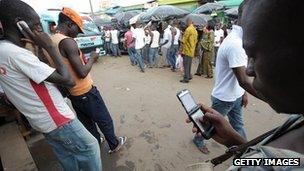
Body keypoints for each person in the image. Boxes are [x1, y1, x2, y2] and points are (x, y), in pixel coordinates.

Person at [188, 0, 304, 170]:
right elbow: (243, 79)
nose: (249, 69)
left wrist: (252, 156)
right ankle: (199, 140)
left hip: (234, 95)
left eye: (253, 56)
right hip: (225, 96)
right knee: (208, 127)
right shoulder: (235, 45)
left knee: (232, 125)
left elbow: (276, 162)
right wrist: (235, 142)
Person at [0, 1, 101, 170]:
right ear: (20, 23)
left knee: (68, 156)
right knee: (90, 148)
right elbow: (68, 79)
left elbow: (42, 72)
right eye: (37, 25)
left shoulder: (4, 50)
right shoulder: (16, 54)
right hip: (57, 119)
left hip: (41, 121)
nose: (40, 31)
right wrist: (47, 45)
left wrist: (37, 47)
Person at [50, 7, 127, 154]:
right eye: (77, 29)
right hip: (85, 90)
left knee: (87, 121)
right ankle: (114, 143)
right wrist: (92, 58)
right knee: (104, 119)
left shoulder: (51, 40)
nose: (77, 34)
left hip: (72, 92)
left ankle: (96, 141)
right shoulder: (68, 42)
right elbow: (82, 72)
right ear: (69, 24)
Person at [180, 18, 198, 83]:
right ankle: (189, 75)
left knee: (186, 64)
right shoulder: (195, 30)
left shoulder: (188, 29)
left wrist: (181, 50)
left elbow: (183, 41)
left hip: (187, 50)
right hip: (192, 50)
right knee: (189, 64)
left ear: (188, 22)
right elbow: (196, 40)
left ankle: (186, 78)